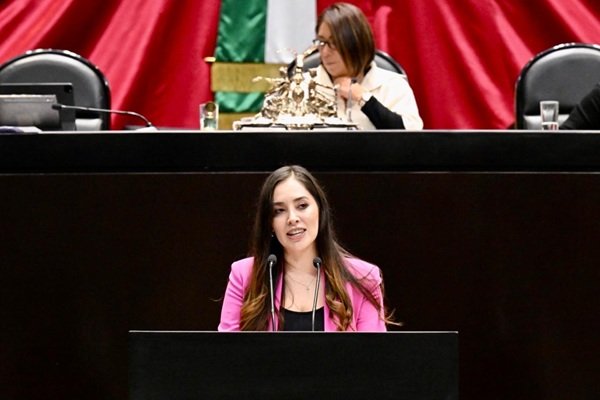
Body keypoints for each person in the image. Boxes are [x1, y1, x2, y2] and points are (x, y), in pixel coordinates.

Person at [218, 165, 395, 331]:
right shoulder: (244, 275)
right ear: (270, 223)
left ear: (320, 210)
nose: (292, 218)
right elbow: (226, 350)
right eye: (279, 211)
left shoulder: (364, 278)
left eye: (302, 206)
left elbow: (372, 353)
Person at [312, 2, 423, 130]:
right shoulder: (304, 85)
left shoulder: (392, 85)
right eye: (322, 42)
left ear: (357, 44)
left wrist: (364, 99)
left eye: (334, 43)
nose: (325, 52)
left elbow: (410, 135)